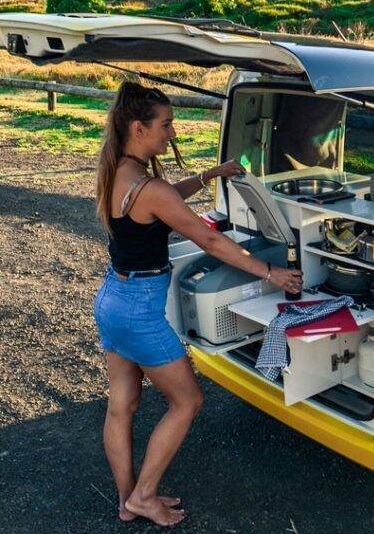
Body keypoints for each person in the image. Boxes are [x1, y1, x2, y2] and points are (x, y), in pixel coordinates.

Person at [93, 81, 302, 527]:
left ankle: (126, 500)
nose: (172, 132)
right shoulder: (148, 185)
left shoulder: (116, 168)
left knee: (122, 405)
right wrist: (270, 273)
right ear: (139, 127)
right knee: (187, 401)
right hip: (140, 311)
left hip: (112, 298)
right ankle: (145, 496)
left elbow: (166, 201)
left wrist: (208, 176)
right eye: (166, 124)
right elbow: (208, 238)